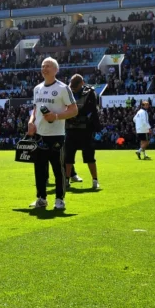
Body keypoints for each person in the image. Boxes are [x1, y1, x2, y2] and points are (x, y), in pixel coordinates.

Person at [26, 57, 78, 211]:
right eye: (42, 66)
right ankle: (41, 198)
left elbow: (74, 110)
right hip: (40, 135)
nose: (44, 68)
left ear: (56, 69)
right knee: (39, 169)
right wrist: (31, 121)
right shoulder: (37, 88)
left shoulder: (63, 88)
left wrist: (55, 116)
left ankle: (60, 199)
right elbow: (35, 109)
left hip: (56, 135)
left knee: (58, 169)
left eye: (47, 66)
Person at [64, 74, 101, 190]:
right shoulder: (67, 91)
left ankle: (95, 180)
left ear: (82, 83)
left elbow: (91, 109)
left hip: (86, 129)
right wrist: (69, 117)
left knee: (89, 156)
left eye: (76, 86)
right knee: (68, 156)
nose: (74, 89)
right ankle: (66, 180)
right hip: (70, 128)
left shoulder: (90, 92)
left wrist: (75, 115)